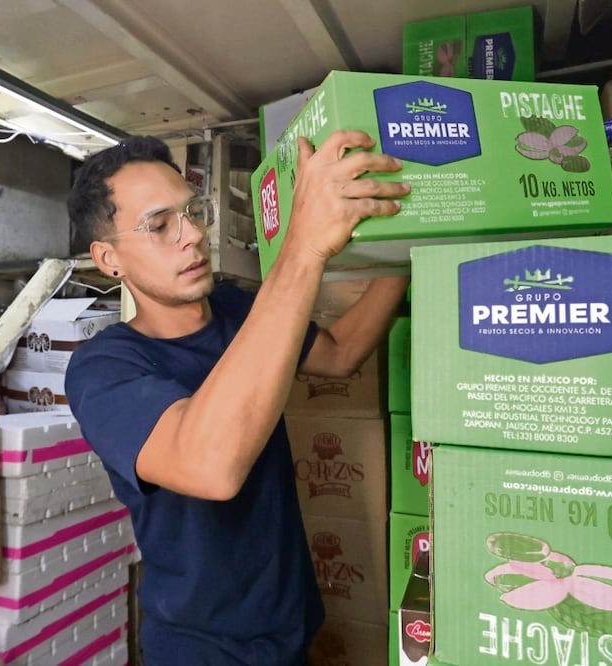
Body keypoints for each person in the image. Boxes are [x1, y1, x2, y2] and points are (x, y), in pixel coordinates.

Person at [64, 130, 411, 665]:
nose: (192, 236)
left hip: (292, 628)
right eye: (159, 226)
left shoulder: (233, 309)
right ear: (109, 259)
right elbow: (211, 466)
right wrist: (303, 245)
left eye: (193, 211)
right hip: (205, 652)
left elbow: (340, 354)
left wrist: (413, 240)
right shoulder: (104, 370)